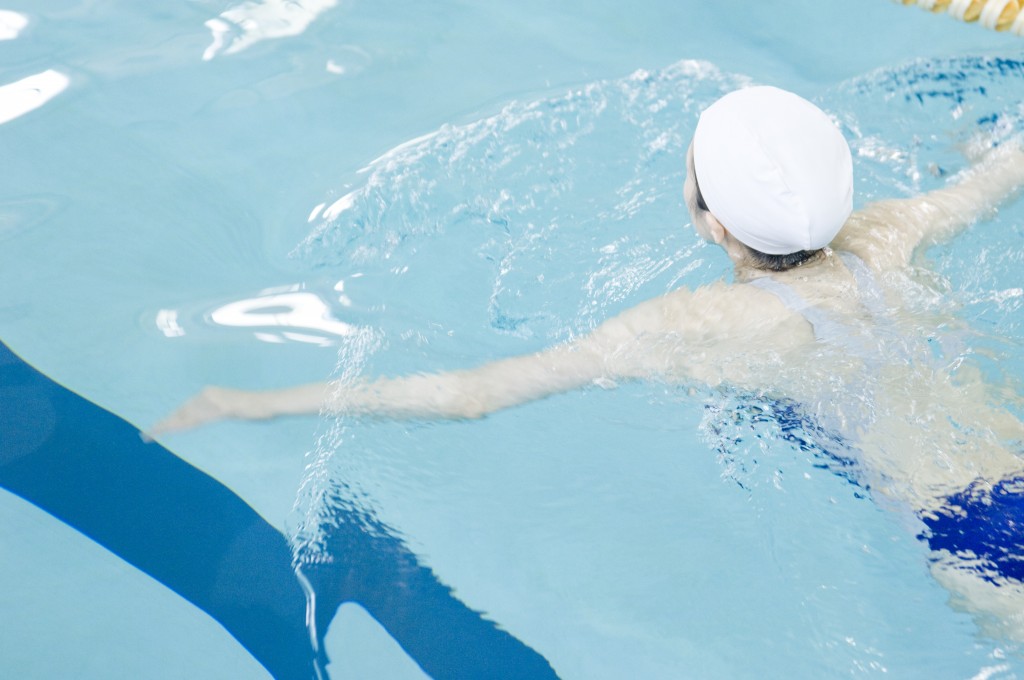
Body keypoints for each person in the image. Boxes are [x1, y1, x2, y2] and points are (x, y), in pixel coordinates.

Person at [153, 86, 1024, 637]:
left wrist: (259, 402)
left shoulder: (697, 324)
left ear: (709, 220)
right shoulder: (894, 230)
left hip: (969, 537)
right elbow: (1004, 172)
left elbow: (469, 397)